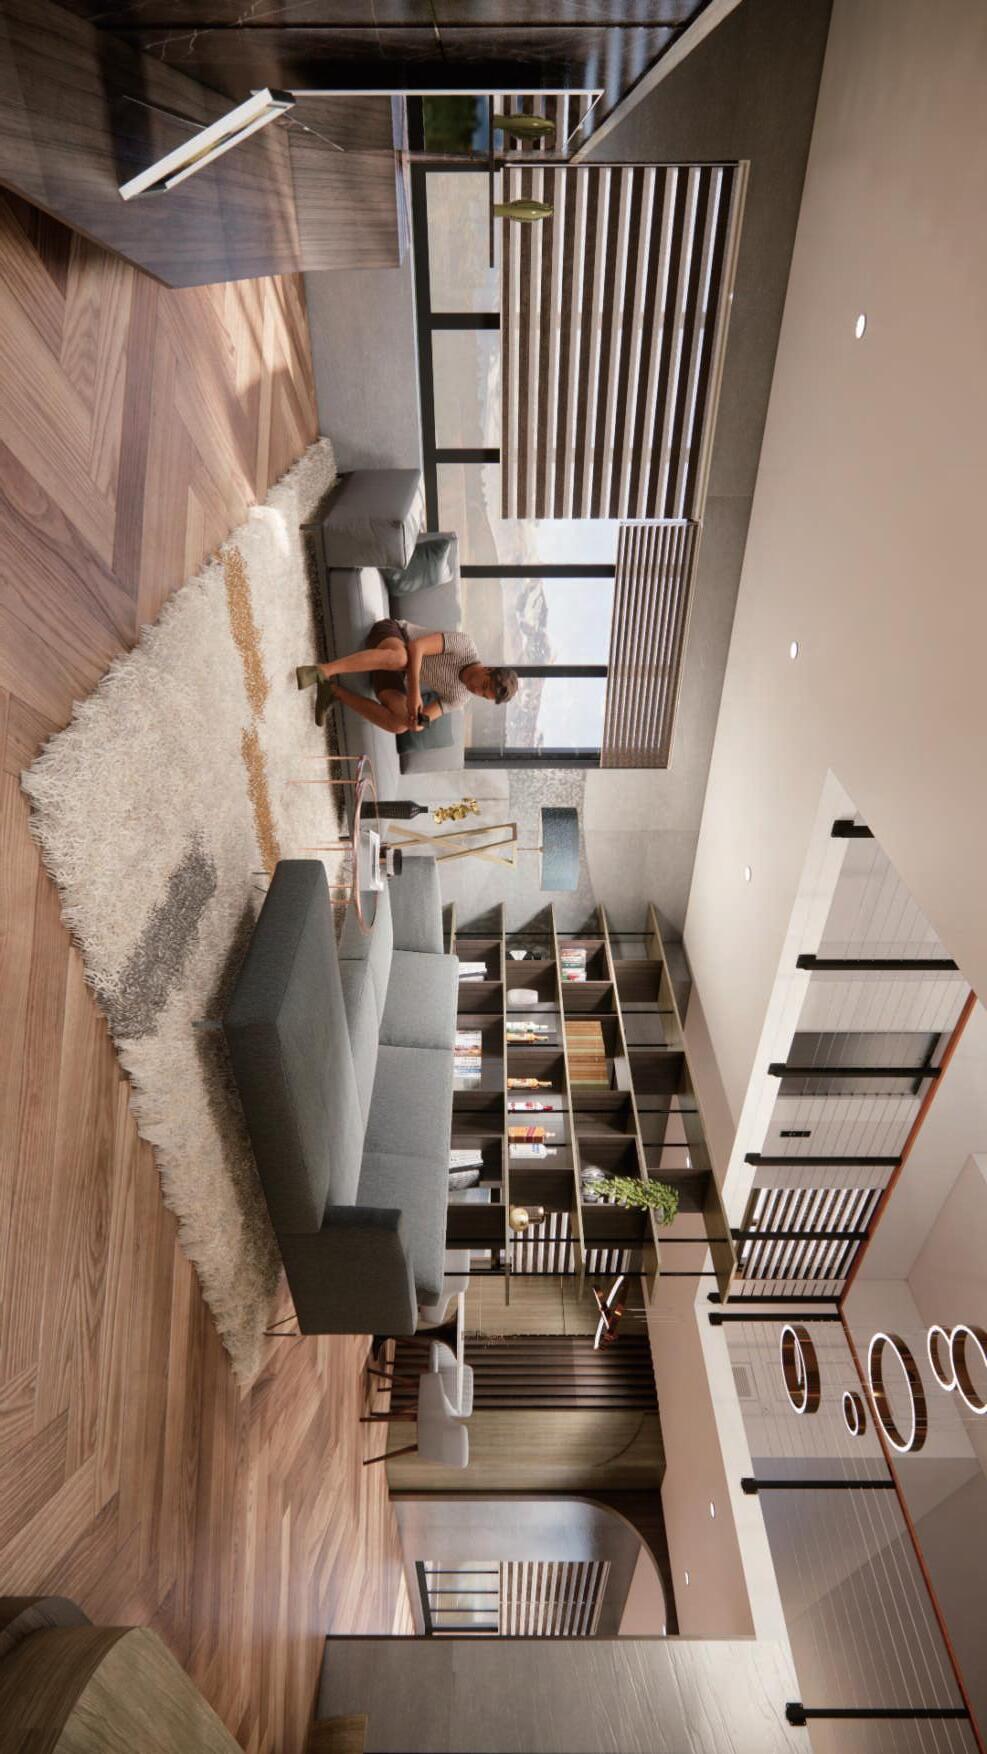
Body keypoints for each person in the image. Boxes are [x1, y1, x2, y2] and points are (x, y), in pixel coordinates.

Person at [296, 617, 518, 735]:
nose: (476, 690)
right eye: (483, 685)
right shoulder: (464, 646)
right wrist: (414, 692)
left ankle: (333, 692)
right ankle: (323, 670)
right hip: (393, 636)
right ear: (488, 669)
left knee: (400, 725)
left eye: (482, 695)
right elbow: (416, 647)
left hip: (396, 673)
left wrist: (417, 722)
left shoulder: (460, 697)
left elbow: (427, 717)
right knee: (402, 657)